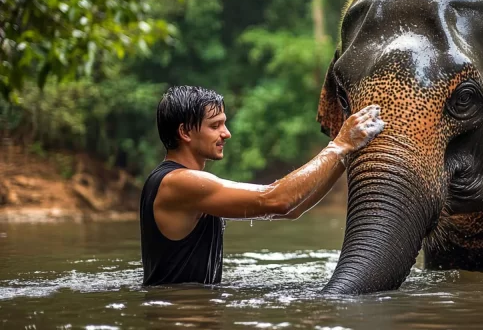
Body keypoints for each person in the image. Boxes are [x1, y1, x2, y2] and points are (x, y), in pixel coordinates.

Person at [140, 85, 385, 286]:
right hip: (179, 319)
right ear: (184, 132)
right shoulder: (179, 182)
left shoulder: (182, 183)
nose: (226, 133)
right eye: (215, 125)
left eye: (224, 123)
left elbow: (291, 209)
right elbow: (276, 199)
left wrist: (344, 155)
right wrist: (339, 145)